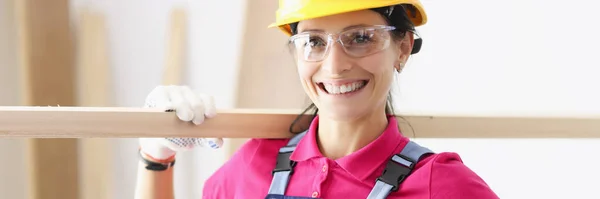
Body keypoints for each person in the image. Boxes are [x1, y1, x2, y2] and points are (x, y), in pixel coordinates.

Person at [134, 0, 500, 198]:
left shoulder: (444, 187)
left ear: (402, 47)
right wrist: (155, 157)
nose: (335, 66)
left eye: (360, 38)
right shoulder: (252, 168)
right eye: (313, 42)